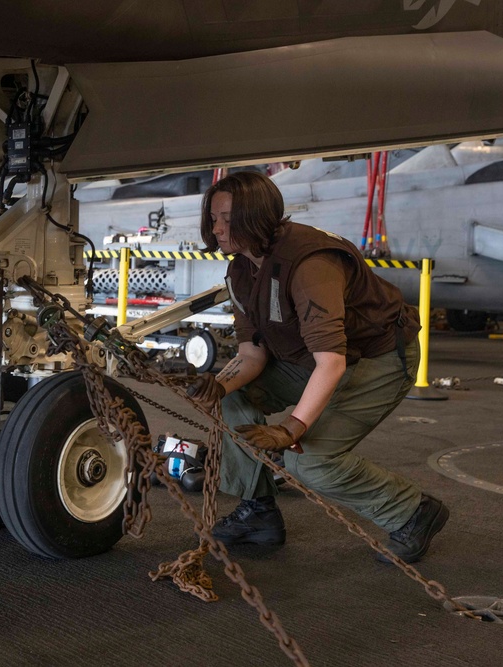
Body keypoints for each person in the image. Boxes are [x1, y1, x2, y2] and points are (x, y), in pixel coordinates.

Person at [187, 171, 448, 564]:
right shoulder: (241, 269)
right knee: (232, 398)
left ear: (256, 218)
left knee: (309, 461)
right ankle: (258, 512)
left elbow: (332, 362)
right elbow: (252, 354)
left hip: (376, 359)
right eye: (213, 219)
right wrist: (219, 386)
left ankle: (412, 512)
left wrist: (291, 427)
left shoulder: (311, 265)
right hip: (312, 359)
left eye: (227, 219)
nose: (217, 229)